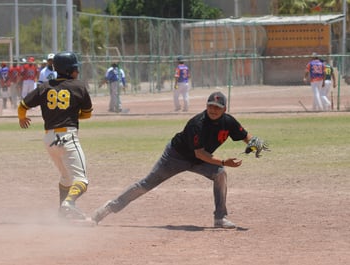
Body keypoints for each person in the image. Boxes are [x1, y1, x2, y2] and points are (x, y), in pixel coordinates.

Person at [91, 91, 268, 229]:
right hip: (176, 157)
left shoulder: (228, 122)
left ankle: (220, 217)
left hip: (200, 159)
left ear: (224, 109)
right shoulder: (197, 124)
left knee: (220, 175)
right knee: (145, 184)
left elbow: (245, 135)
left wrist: (255, 143)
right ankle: (108, 208)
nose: (213, 110)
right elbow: (200, 154)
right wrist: (223, 161)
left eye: (217, 107)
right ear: (206, 106)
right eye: (210, 106)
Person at [17, 51, 93, 219]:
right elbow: (87, 114)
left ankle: (62, 213)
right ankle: (68, 204)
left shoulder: (44, 87)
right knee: (81, 181)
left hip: (49, 140)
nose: (77, 72)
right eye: (75, 68)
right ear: (69, 70)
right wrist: (71, 115)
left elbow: (22, 106)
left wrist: (22, 118)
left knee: (66, 178)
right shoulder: (78, 86)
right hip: (68, 137)